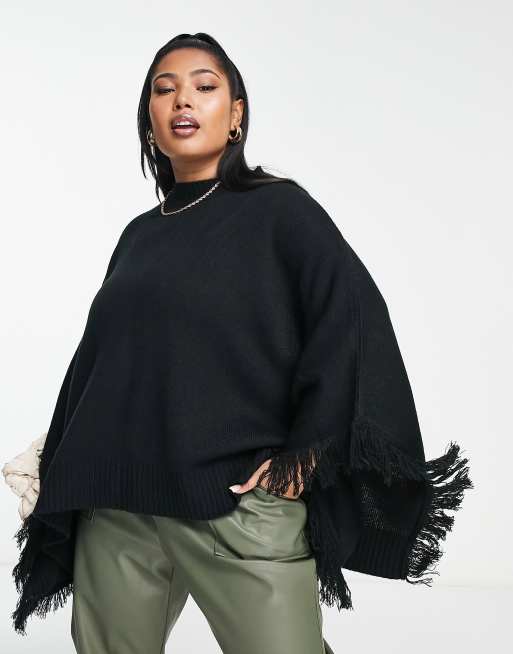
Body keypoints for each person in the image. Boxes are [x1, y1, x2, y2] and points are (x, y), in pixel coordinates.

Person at [8, 33, 473, 653]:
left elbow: (351, 319)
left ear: (236, 114)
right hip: (117, 510)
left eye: (204, 86)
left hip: (233, 506)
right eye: (165, 89)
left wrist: (303, 456)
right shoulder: (139, 236)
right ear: (149, 119)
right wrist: (60, 455)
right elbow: (107, 364)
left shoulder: (279, 210)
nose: (183, 100)